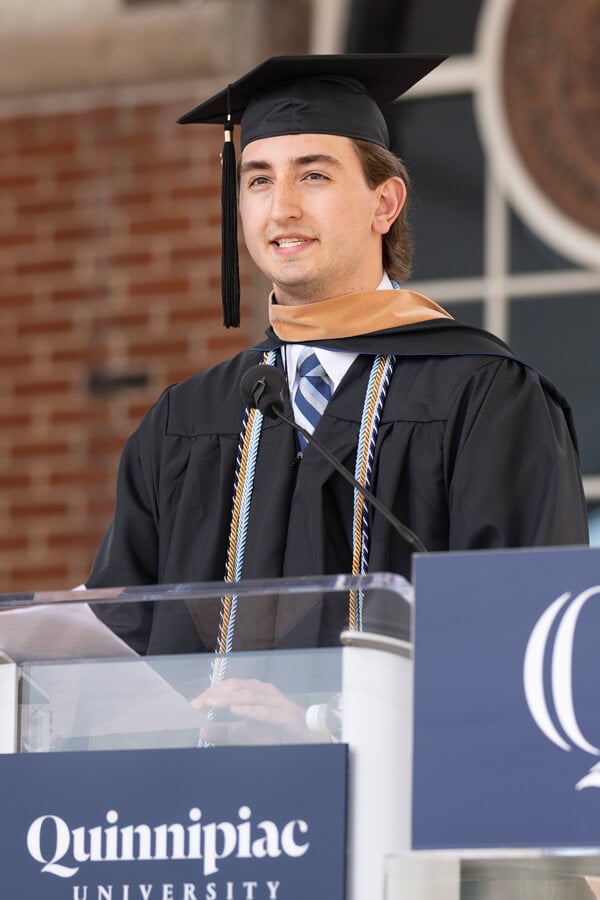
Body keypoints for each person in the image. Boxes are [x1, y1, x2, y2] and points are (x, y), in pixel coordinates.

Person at [87, 54, 588, 671]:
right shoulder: (184, 423)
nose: (282, 209)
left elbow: (532, 644)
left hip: (396, 769)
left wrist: (319, 727)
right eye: (258, 179)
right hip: (210, 770)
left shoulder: (484, 398)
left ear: (385, 204)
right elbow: (113, 652)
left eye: (314, 176)